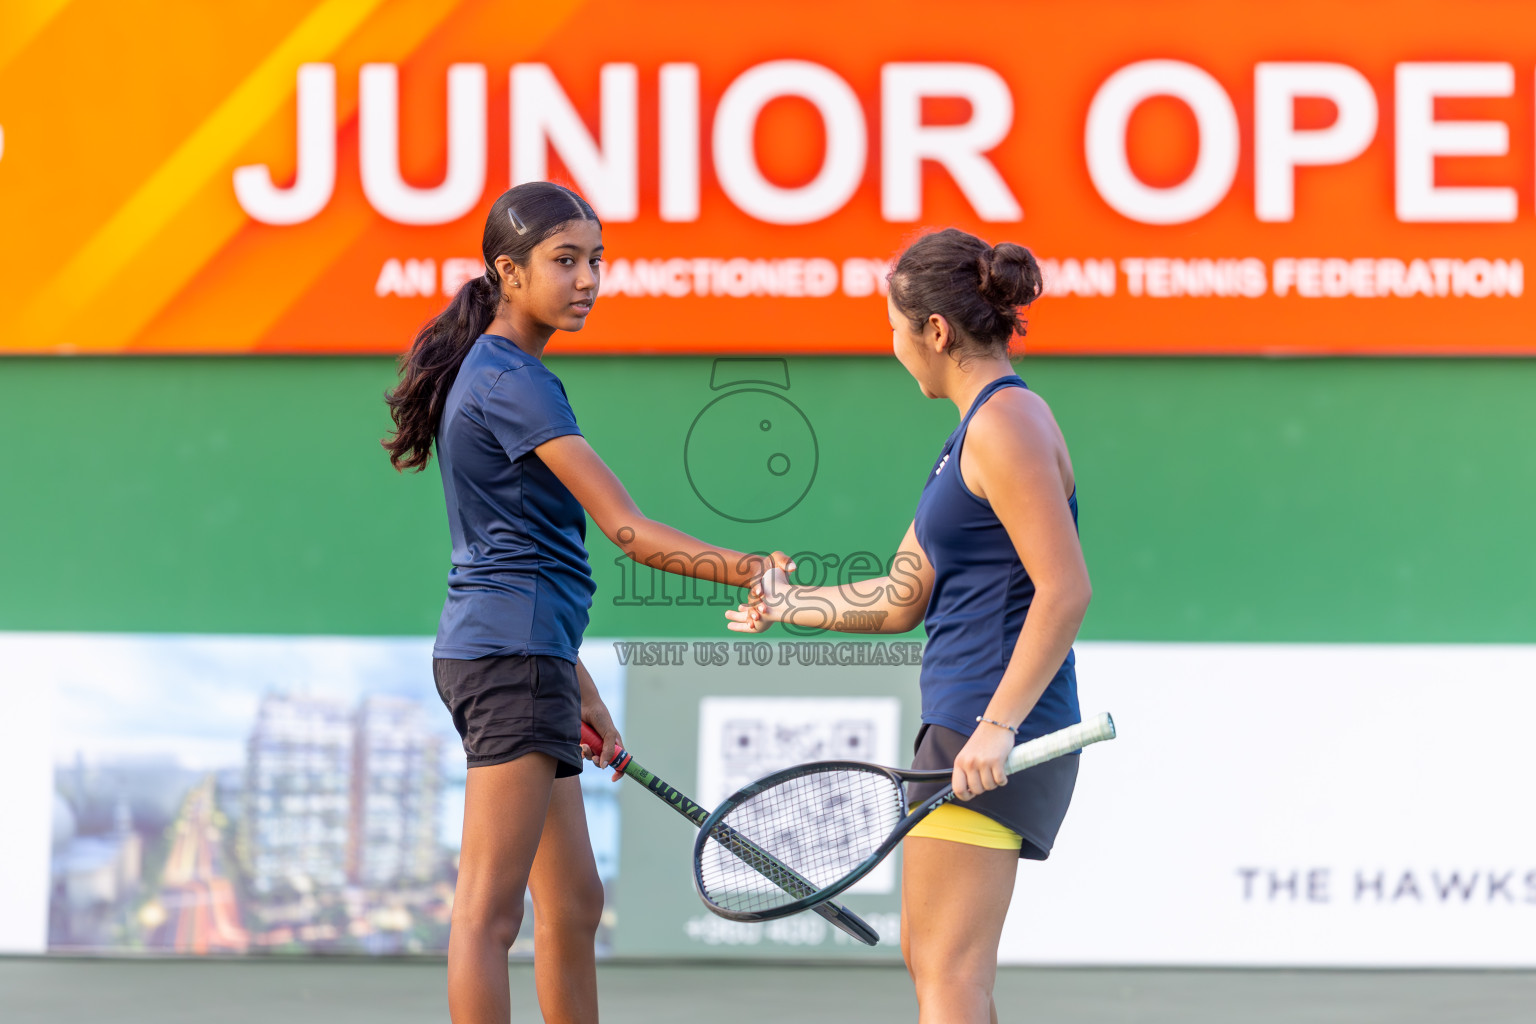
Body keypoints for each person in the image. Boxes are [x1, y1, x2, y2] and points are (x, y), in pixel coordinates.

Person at [383, 181, 788, 1024]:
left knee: (571, 900)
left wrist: (575, 685)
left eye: (595, 260)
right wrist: (751, 570)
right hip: (509, 660)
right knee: (488, 913)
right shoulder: (513, 380)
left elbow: (520, 548)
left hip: (524, 654)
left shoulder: (500, 373)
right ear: (509, 271)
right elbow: (628, 530)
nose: (587, 279)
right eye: (564, 261)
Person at [727, 228, 1091, 1024]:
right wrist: (791, 603)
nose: (891, 345)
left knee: (950, 978)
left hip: (989, 733)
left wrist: (996, 728)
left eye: (893, 326)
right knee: (941, 971)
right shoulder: (973, 433)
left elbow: (1065, 591)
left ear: (935, 331)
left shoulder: (1007, 425)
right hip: (966, 726)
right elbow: (900, 598)